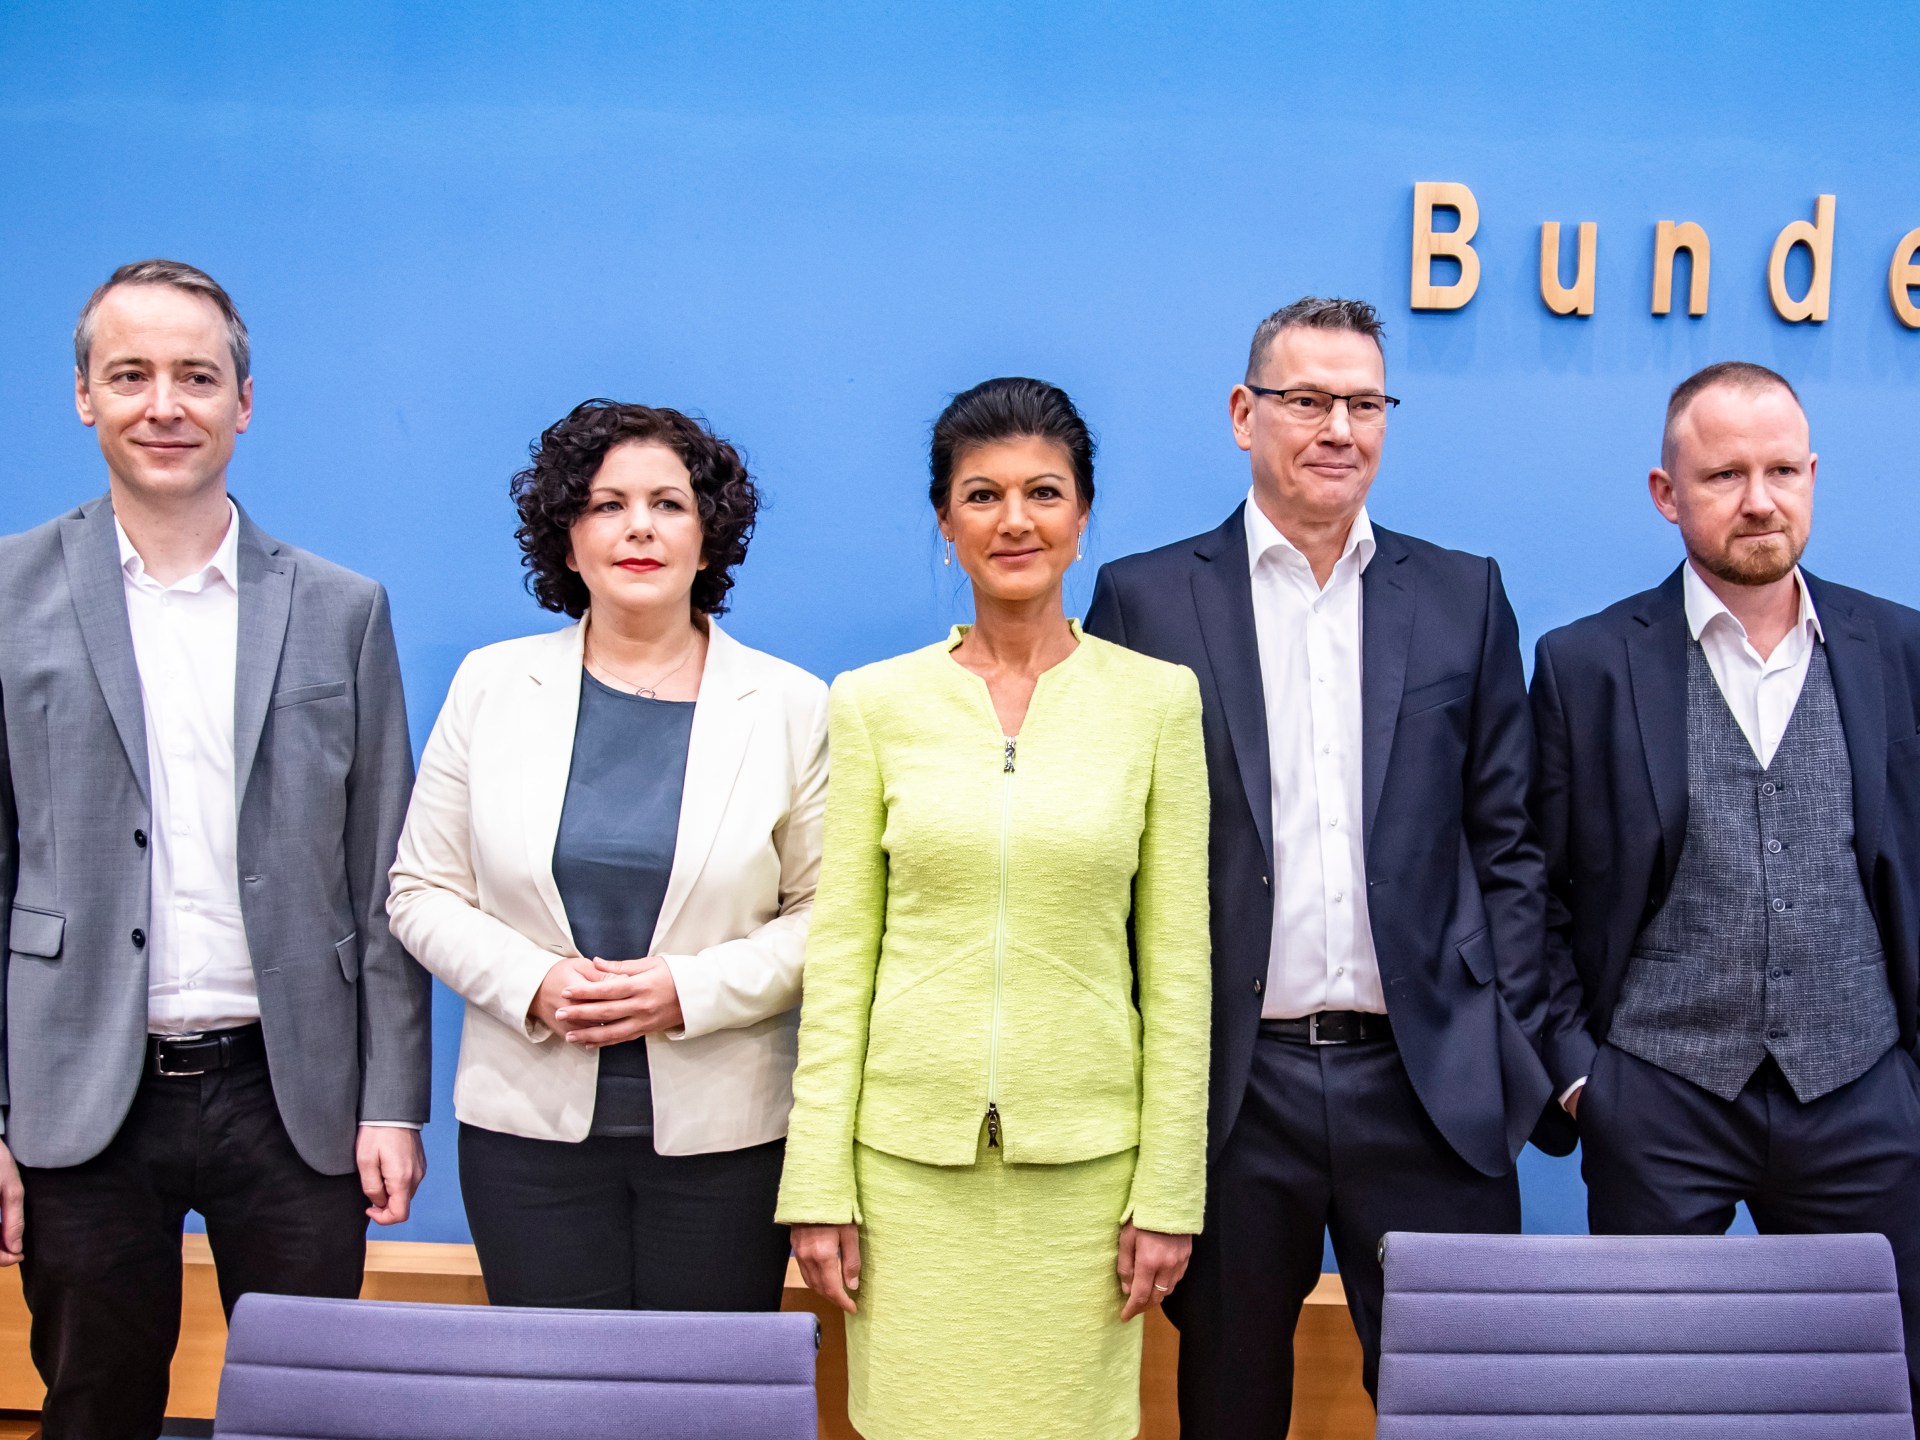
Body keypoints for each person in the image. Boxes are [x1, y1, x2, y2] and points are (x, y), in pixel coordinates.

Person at [1086, 296, 1558, 1435]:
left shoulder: (1462, 595)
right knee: (1230, 1404)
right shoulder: (1147, 600)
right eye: (1307, 400)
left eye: (1364, 403)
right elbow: (1114, 864)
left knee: (1463, 1408)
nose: (1339, 428)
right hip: (1238, 1093)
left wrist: (1506, 1039)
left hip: (1427, 1081)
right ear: (1244, 414)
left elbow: (1508, 844)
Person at [0, 259, 430, 1440]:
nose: (164, 405)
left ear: (244, 401)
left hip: (291, 1092)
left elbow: (382, 877)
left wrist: (392, 1104)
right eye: (129, 375)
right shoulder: (7, 595)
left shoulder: (342, 608)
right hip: (80, 1088)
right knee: (94, 1407)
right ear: (83, 396)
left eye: (196, 376)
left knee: (307, 1412)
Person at [778, 377, 1211, 1440]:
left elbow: (1179, 971)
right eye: (982, 495)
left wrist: (1171, 1191)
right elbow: (841, 961)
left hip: (1085, 1179)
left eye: (1043, 492)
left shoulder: (1157, 702)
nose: (1015, 520)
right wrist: (817, 1181)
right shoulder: (873, 703)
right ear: (946, 521)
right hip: (905, 1177)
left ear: (1082, 515)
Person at [1532, 361, 1920, 1421]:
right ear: (1668, 494)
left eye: (1782, 470)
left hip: (1863, 1091)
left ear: (1813, 476)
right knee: (1646, 1398)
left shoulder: (1899, 650)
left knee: (1885, 1391)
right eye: (1725, 475)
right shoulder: (1585, 664)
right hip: (1659, 1096)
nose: (1759, 499)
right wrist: (1582, 1079)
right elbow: (1533, 889)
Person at [387, 399, 826, 1311]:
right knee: (553, 1383)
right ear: (568, 538)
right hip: (525, 1139)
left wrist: (687, 991)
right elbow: (421, 891)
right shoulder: (491, 685)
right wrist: (534, 982)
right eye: (606, 505)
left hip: (729, 1142)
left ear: (709, 539)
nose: (639, 528)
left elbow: (827, 916)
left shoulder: (792, 706)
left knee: (702, 1384)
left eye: (669, 504)